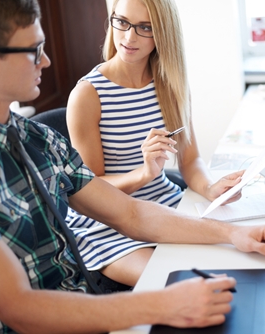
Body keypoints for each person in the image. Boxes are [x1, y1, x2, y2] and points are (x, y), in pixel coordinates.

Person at [0, 0, 265, 332]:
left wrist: (232, 233)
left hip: (80, 300)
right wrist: (163, 303)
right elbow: (19, 309)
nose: (47, 60)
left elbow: (129, 213)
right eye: (34, 50)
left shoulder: (35, 137)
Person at [65, 0, 245, 287]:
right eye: (121, 21)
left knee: (233, 262)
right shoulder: (88, 95)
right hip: (105, 223)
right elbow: (90, 191)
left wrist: (210, 188)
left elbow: (190, 160)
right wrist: (144, 174)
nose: (128, 37)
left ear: (163, 32)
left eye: (144, 27)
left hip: (162, 204)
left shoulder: (169, 83)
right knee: (177, 284)